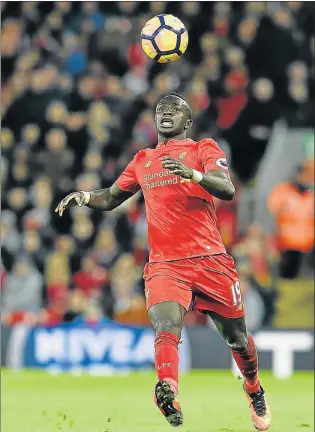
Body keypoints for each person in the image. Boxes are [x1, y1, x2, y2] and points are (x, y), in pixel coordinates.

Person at [56, 92, 271, 431]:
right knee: (166, 327)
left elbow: (227, 188)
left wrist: (194, 175)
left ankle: (254, 388)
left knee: (239, 340)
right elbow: (112, 197)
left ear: (188, 121)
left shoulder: (203, 149)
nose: (167, 113)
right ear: (155, 120)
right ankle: (168, 390)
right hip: (166, 265)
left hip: (211, 261)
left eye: (175, 109)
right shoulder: (143, 159)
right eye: (161, 109)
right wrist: (83, 196)